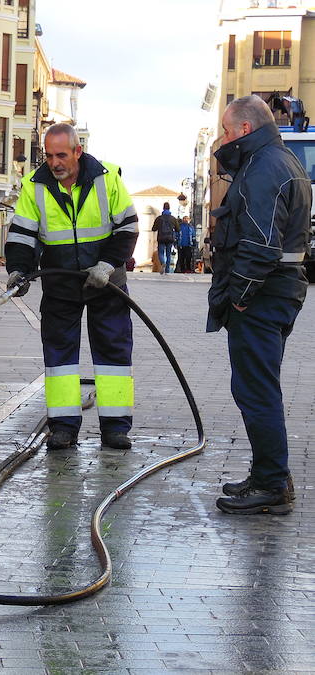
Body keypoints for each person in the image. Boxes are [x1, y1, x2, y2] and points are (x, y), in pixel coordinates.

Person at [5, 123, 139, 450]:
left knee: (113, 355)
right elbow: (22, 235)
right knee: (60, 358)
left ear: (78, 151)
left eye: (61, 155)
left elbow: (128, 227)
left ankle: (115, 428)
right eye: (49, 156)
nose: (54, 163)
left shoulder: (107, 179)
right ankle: (63, 427)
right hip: (60, 284)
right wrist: (18, 271)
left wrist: (107, 265)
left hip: (107, 283)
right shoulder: (35, 186)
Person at [208, 95, 310, 515]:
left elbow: (260, 245)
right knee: (258, 386)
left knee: (256, 390)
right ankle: (270, 474)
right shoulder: (281, 161)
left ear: (245, 130)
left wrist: (241, 297)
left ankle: (270, 484)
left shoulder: (263, 169)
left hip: (263, 297)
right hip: (279, 292)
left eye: (228, 132)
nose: (225, 139)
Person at [151, 202, 179, 273]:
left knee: (160, 252)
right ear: (169, 208)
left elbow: (154, 228)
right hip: (170, 238)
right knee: (168, 254)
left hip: (161, 238)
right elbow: (178, 229)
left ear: (163, 208)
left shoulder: (159, 218)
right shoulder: (173, 219)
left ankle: (163, 262)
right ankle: (167, 270)